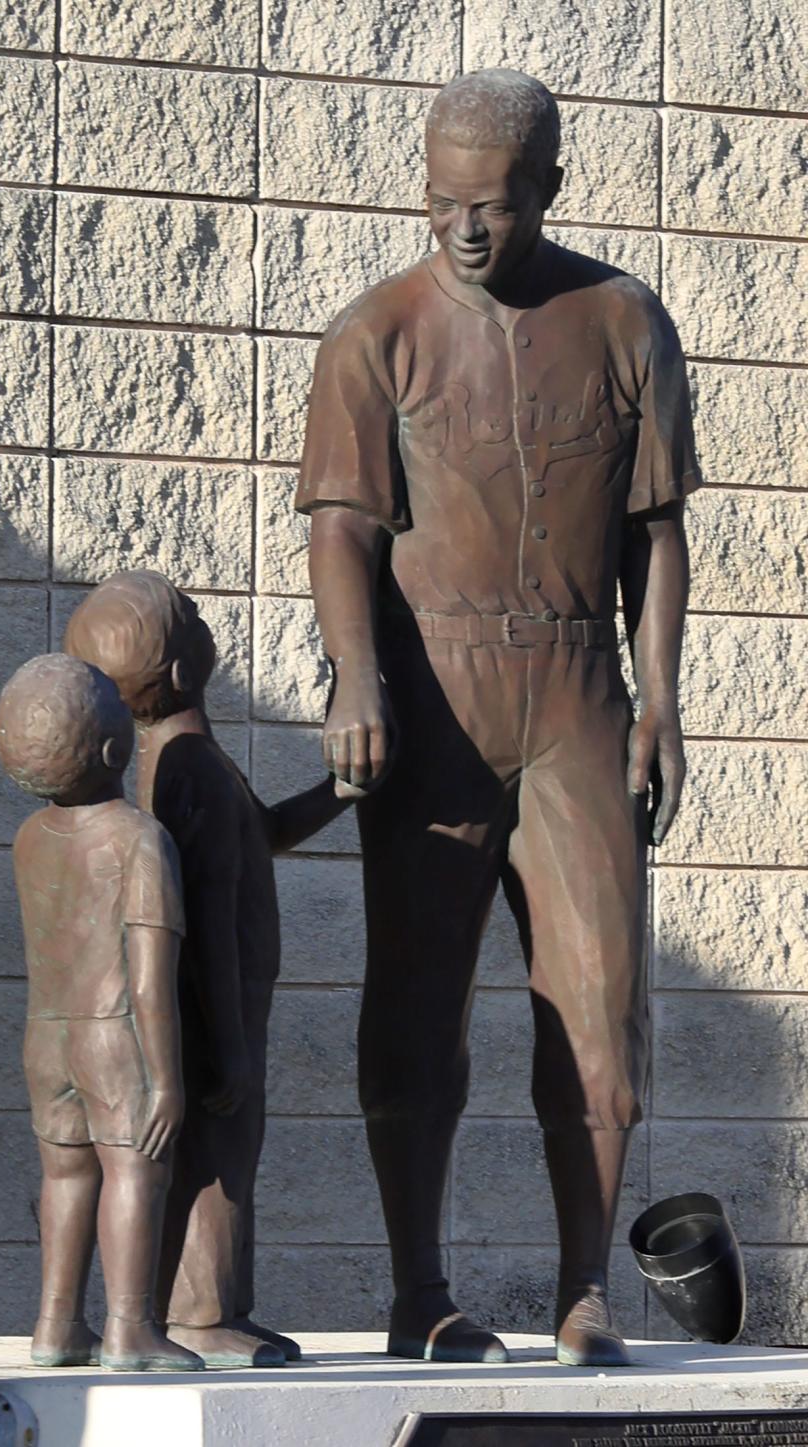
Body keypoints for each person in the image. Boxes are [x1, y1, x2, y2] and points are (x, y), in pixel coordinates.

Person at [295, 68, 700, 1366]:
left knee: (598, 1000)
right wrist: (356, 677)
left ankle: (587, 1287)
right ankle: (420, 1288)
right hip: (437, 705)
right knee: (417, 1004)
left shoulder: (625, 319)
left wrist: (661, 707)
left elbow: (656, 531)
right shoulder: (376, 333)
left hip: (581, 693)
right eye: (444, 202)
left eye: (495, 204)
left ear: (549, 190)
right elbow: (343, 527)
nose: (466, 228)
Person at [65, 571, 352, 1367]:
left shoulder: (190, 759)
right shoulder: (187, 766)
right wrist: (226, 1043)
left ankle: (224, 1305)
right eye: (190, 613)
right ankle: (199, 1313)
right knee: (216, 1158)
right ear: (185, 669)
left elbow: (265, 831)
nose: (201, 612)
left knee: (232, 1153)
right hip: (207, 1010)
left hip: (224, 1007)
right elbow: (212, 922)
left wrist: (342, 790)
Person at [0, 653, 203, 1372]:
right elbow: (151, 978)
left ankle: (56, 1325)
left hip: (45, 1037)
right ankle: (129, 1327)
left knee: (65, 1176)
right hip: (114, 1036)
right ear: (117, 749)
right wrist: (169, 1080)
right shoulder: (139, 839)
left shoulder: (28, 840)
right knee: (137, 1172)